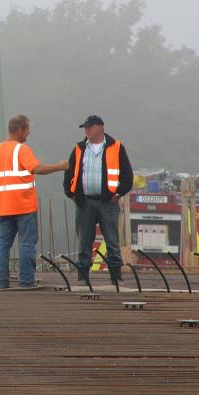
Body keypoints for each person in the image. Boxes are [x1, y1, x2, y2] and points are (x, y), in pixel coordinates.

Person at [0, 115, 69, 289]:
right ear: (19, 130)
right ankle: (27, 282)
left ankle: (1, 282)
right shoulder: (22, 149)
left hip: (4, 206)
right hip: (24, 205)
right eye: (27, 129)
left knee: (3, 244)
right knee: (26, 243)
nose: (29, 133)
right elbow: (37, 169)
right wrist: (61, 166)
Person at [63, 115, 133, 285]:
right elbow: (69, 173)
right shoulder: (79, 149)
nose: (86, 130)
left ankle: (116, 277)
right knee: (84, 241)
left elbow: (127, 175)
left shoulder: (116, 148)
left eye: (89, 127)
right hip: (84, 202)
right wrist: (72, 194)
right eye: (85, 128)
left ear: (101, 127)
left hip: (107, 203)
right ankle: (83, 277)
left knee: (112, 241)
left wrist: (117, 194)